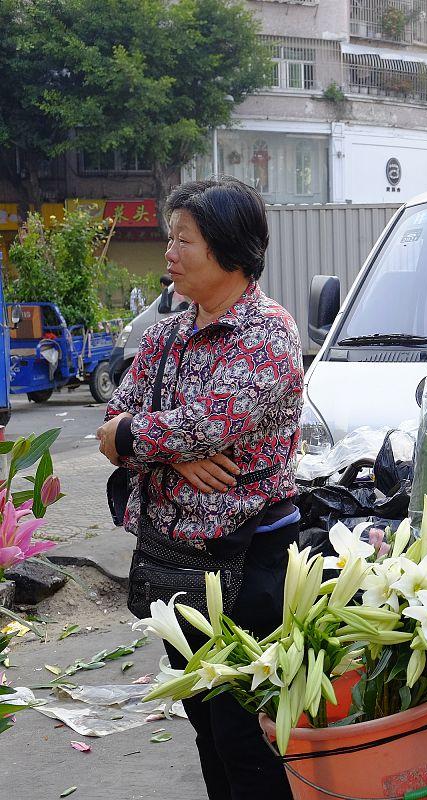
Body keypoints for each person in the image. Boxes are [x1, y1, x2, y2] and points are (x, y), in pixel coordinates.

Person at [95, 177, 304, 800]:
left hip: (246, 564)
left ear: (229, 249)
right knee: (204, 723)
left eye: (183, 240)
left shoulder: (267, 334)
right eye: (171, 238)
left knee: (245, 731)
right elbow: (111, 423)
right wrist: (174, 456)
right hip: (172, 566)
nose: (170, 252)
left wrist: (141, 439)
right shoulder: (165, 335)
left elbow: (208, 425)